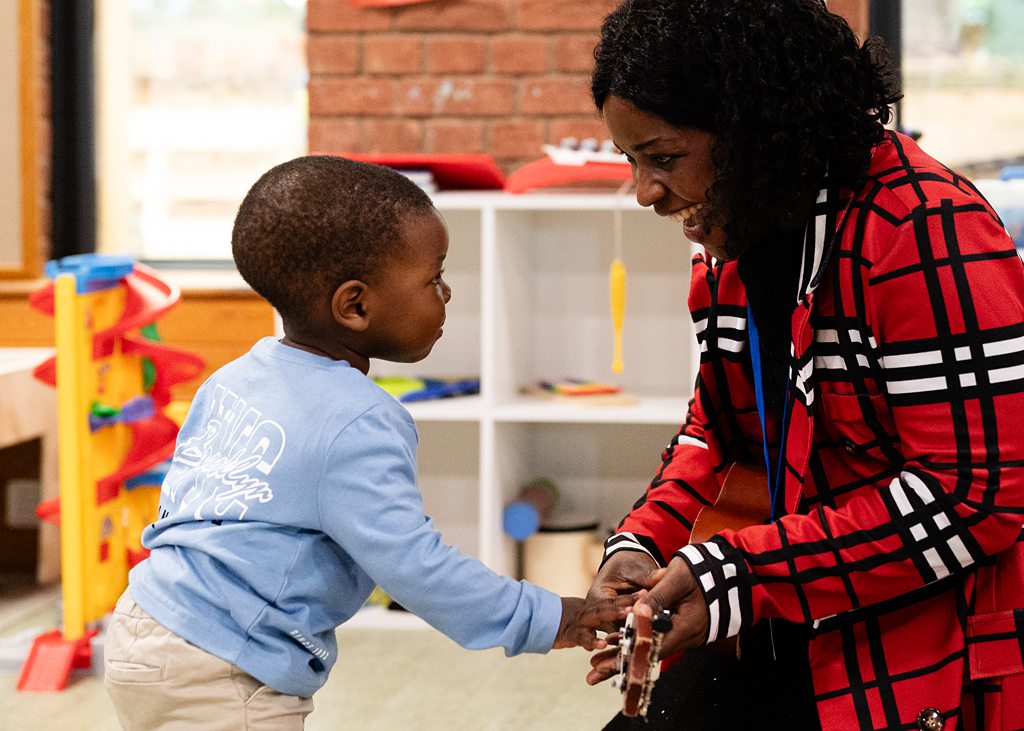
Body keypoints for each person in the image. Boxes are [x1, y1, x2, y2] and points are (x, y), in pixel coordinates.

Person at [582, 1, 1024, 730]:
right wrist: (643, 541)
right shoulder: (733, 239)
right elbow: (716, 432)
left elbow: (973, 499)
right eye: (632, 163)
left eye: (662, 158)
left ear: (755, 131)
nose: (646, 193)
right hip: (790, 611)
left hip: (927, 642)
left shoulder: (925, 232)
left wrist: (742, 573)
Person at [103, 155, 634, 730]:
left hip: (145, 621)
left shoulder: (231, 378)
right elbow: (415, 567)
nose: (447, 294)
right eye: (434, 278)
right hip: (228, 663)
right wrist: (549, 615)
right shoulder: (359, 420)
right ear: (355, 306)